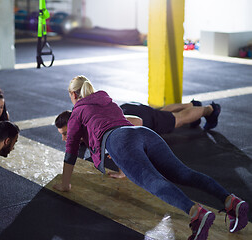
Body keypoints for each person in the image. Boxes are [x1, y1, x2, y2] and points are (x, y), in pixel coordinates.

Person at [53, 75, 249, 240]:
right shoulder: (107, 100)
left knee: (153, 181)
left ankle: (196, 214)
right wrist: (123, 165)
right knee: (183, 173)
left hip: (120, 140)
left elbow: (71, 150)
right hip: (143, 132)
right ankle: (230, 201)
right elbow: (132, 123)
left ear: (73, 94)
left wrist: (65, 184)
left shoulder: (78, 111)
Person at [121, 100, 221, 135]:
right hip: (126, 108)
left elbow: (138, 122)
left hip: (135, 118)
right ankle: (191, 105)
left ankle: (210, 109)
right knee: (159, 114)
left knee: (178, 119)